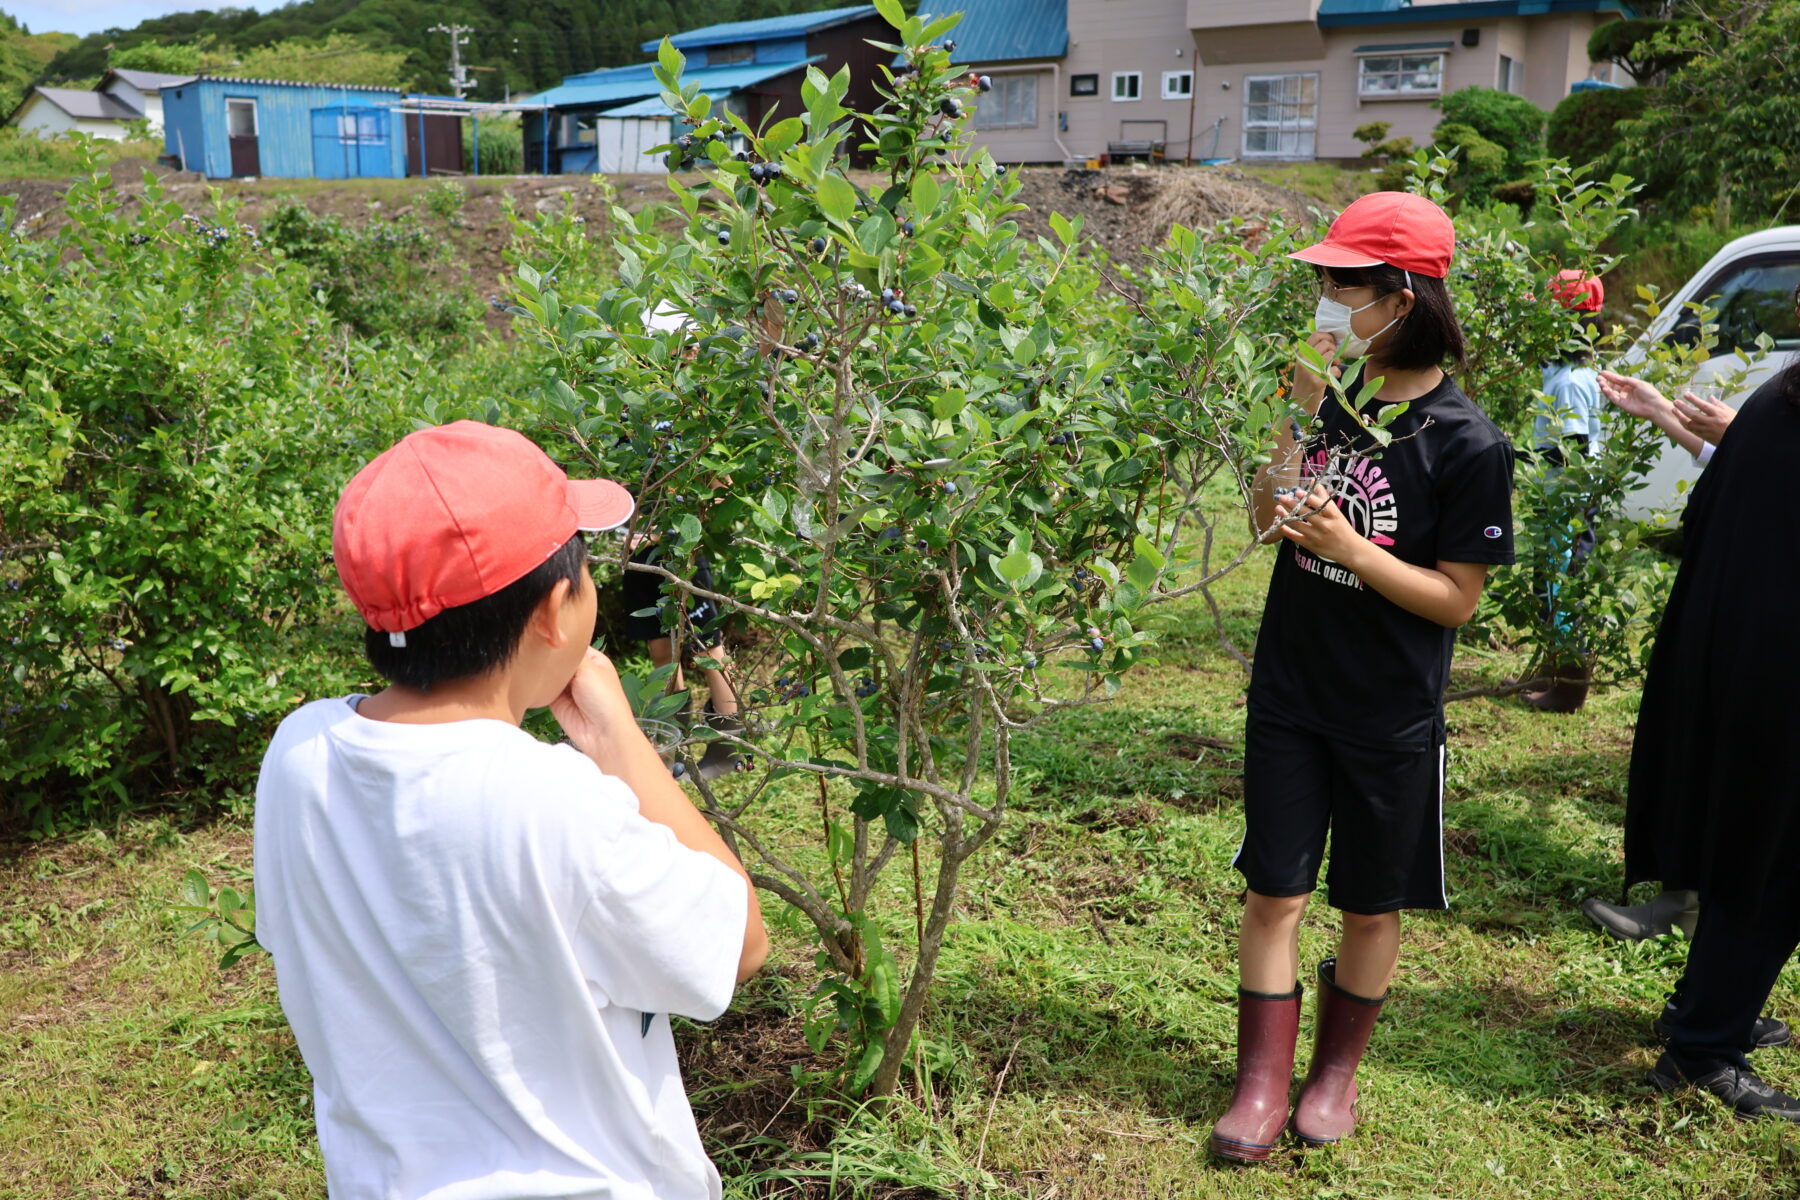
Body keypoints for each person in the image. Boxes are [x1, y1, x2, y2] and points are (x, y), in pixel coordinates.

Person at [254, 420, 770, 1199]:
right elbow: (737, 944)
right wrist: (617, 739)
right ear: (554, 610)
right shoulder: (551, 799)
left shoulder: (298, 754)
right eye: (586, 573)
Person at [1211, 192, 1516, 1162]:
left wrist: (1351, 546)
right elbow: (1267, 520)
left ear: (1405, 296)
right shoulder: (1332, 409)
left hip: (1388, 713)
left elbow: (1456, 599)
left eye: (1345, 285)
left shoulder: (1468, 443)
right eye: (1324, 283)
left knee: (1370, 904)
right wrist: (1291, 432)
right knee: (1275, 892)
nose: (1327, 300)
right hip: (1292, 693)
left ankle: (1331, 1077)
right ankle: (1261, 1082)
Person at [1613, 350, 1800, 1120]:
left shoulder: (1780, 397)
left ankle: (1707, 1006)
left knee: (1748, 845)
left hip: (1742, 663)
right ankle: (1701, 1048)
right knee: (1775, 863)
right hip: (1779, 679)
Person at [1579, 368, 1739, 941]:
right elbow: (1739, 466)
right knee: (1697, 731)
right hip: (1733, 590)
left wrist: (1742, 432)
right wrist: (1663, 414)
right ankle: (1685, 898)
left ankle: (1713, 916)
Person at [1519, 271, 1607, 713]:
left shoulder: (1571, 381)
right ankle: (1552, 671)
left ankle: (1567, 686)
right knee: (1550, 583)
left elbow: (1568, 451)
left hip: (1565, 501)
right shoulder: (1564, 372)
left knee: (1559, 586)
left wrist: (1516, 459)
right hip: (1563, 499)